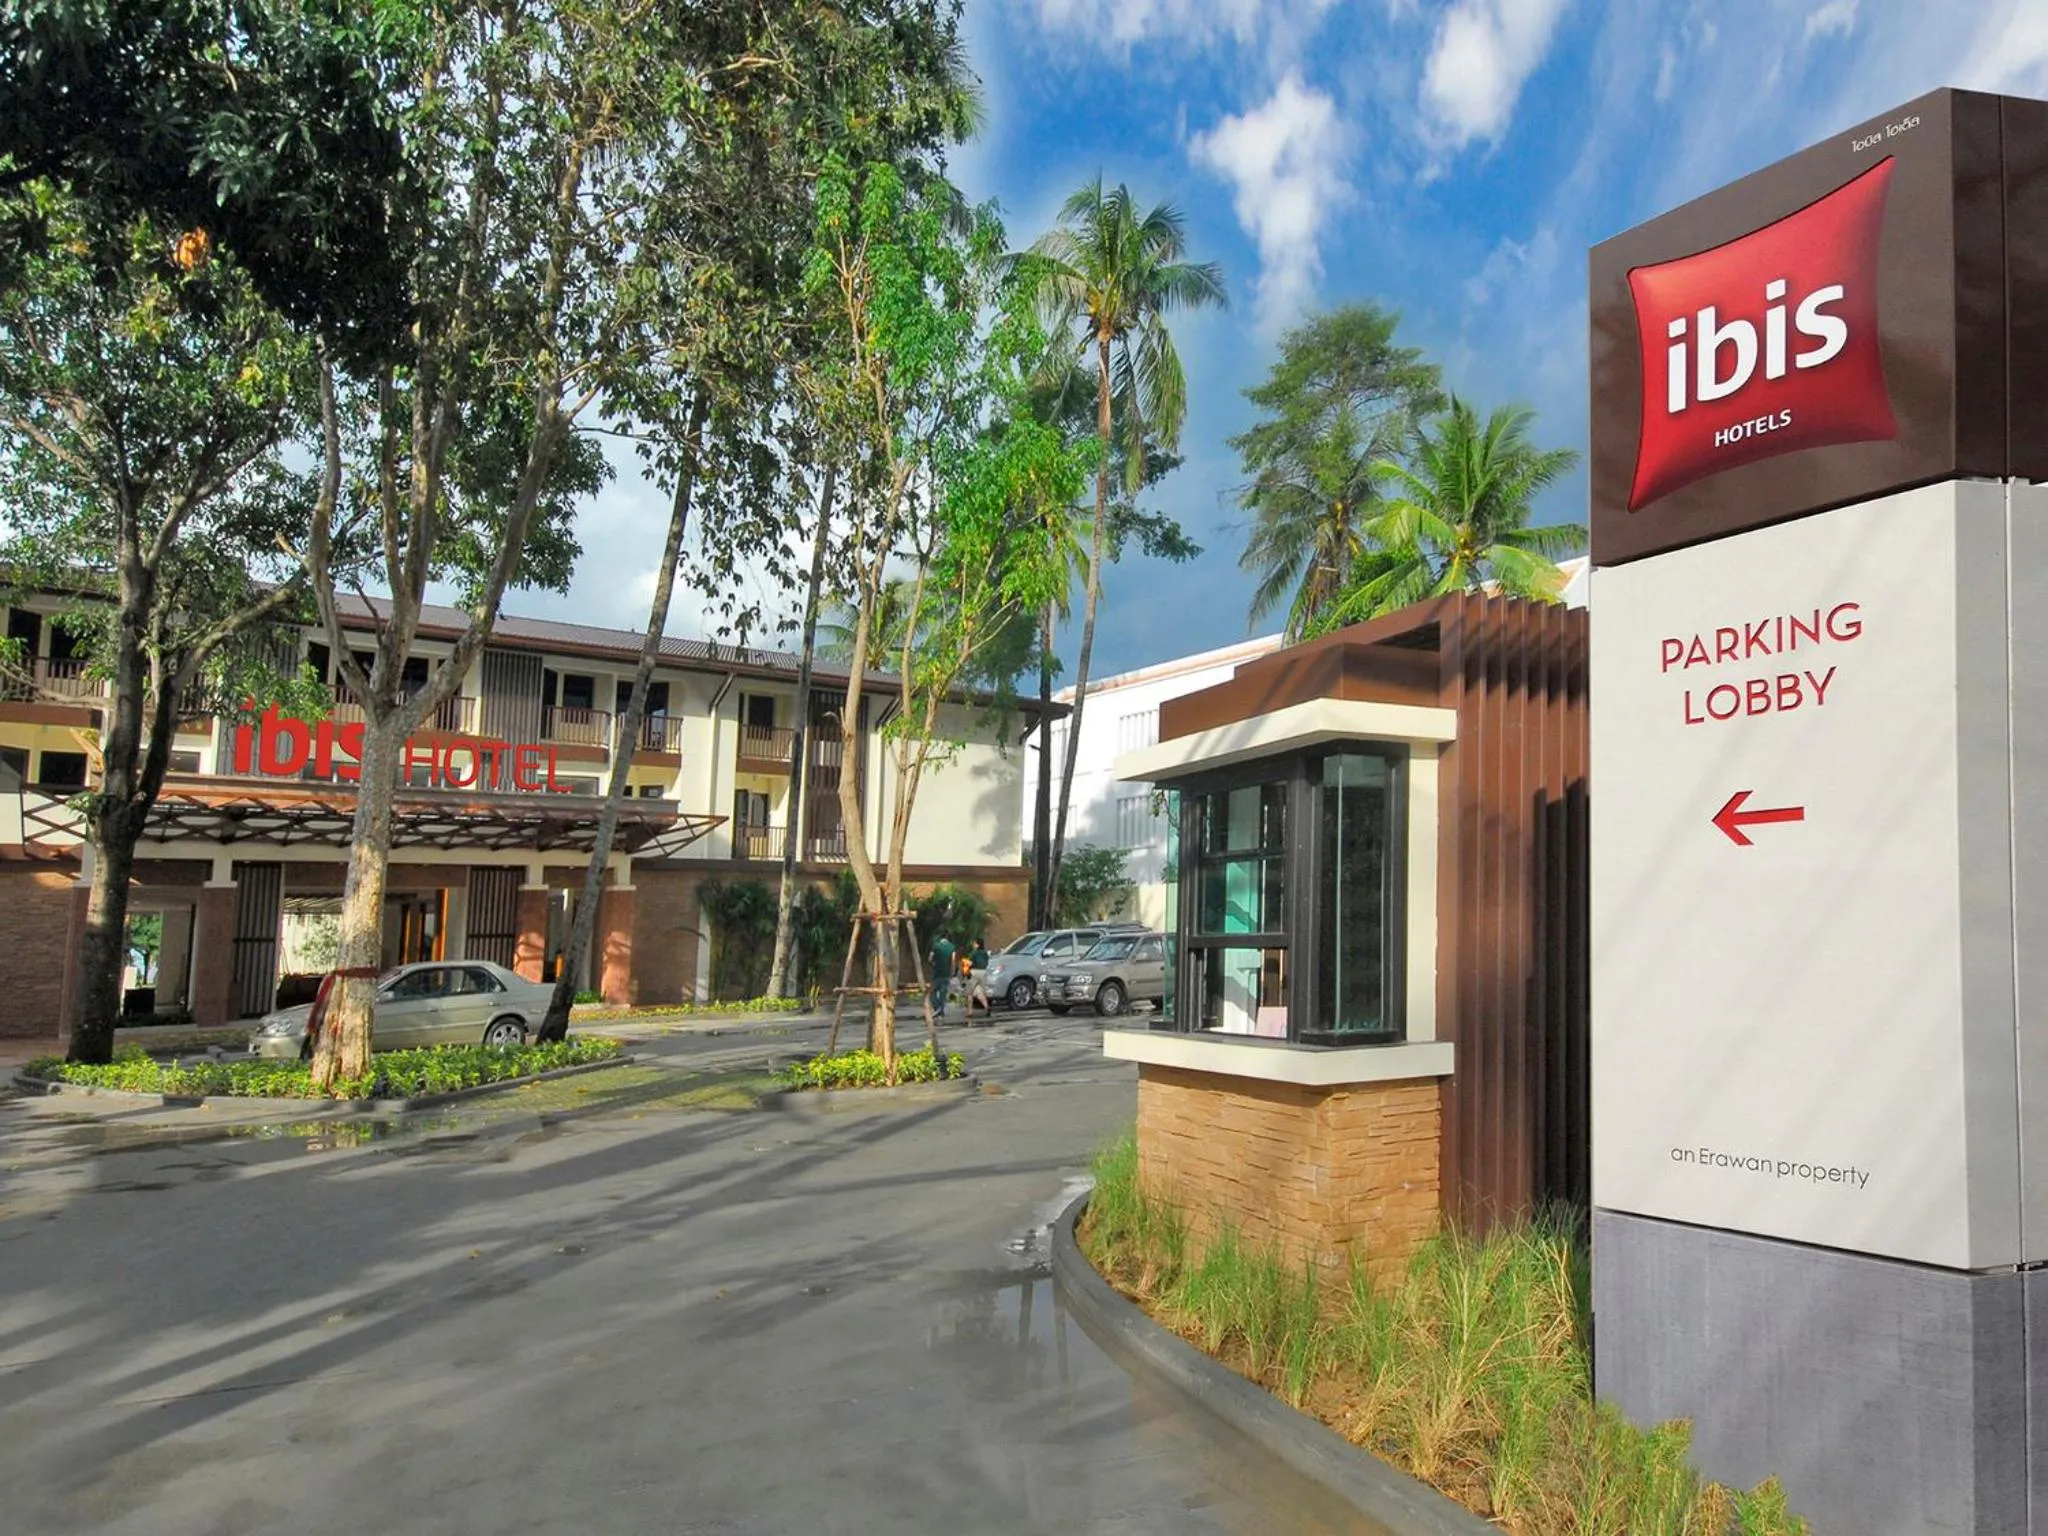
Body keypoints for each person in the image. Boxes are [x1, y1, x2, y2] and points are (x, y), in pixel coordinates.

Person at [965, 937, 991, 1021]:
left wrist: (966, 971)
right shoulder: (985, 953)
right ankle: (987, 1007)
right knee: (981, 992)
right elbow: (987, 962)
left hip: (974, 972)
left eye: (975, 943)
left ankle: (970, 1012)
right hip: (983, 972)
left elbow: (969, 963)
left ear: (978, 944)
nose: (973, 944)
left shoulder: (974, 953)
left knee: (969, 993)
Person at [929, 932, 955, 1016]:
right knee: (942, 993)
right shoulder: (952, 947)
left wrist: (933, 965)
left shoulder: (936, 946)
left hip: (937, 973)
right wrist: (952, 971)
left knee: (932, 992)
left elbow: (930, 958)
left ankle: (937, 1008)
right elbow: (953, 960)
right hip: (946, 973)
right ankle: (941, 1011)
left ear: (940, 937)